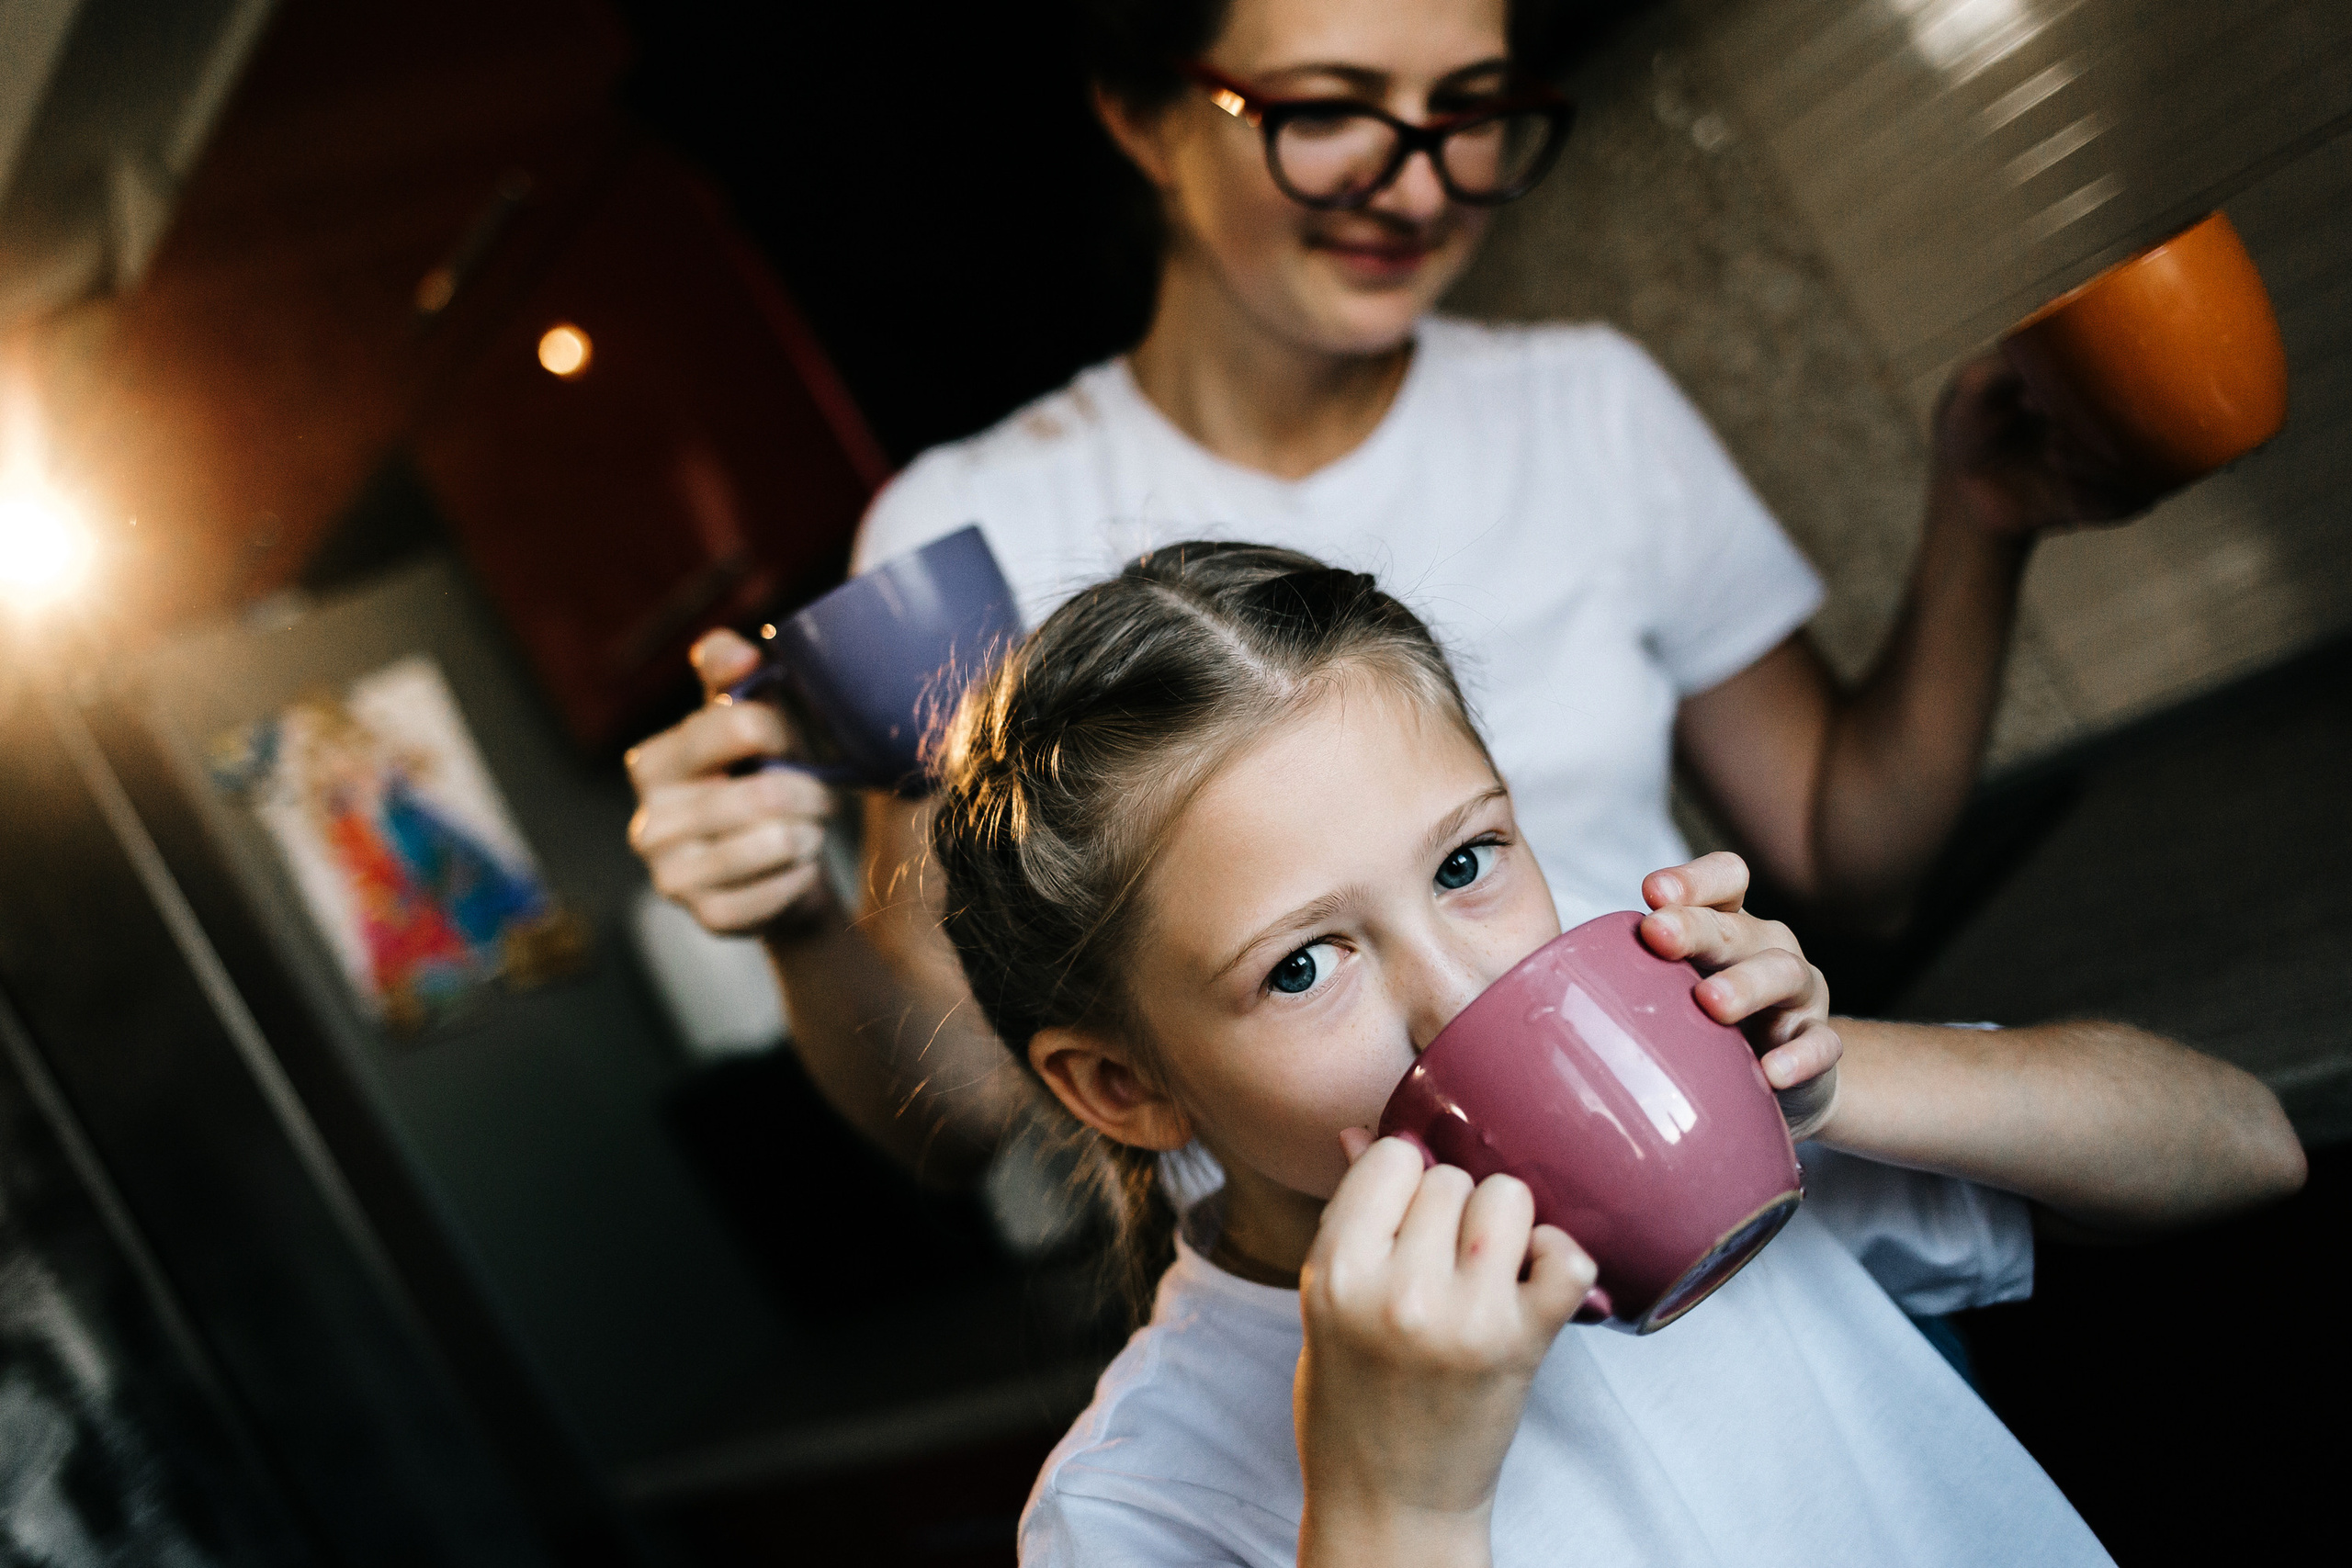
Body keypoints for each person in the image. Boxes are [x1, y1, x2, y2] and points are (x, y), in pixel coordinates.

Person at [625, 0, 2155, 1185]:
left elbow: (1844, 852)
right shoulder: (965, 527)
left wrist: (1980, 527)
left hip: (1738, 1191)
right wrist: (801, 920)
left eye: (1470, 112)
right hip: (1363, 1327)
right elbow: (966, 1107)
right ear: (1147, 118)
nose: (1416, 182)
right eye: (1332, 112)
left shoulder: (1590, 404)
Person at [923, 542, 2304, 1568]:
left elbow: (2245, 1150)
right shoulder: (1130, 1509)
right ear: (1127, 1086)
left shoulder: (1707, 1141)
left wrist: (1831, 1080)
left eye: (1468, 862)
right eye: (1303, 964)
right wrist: (1399, 1507)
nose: (1463, 990)